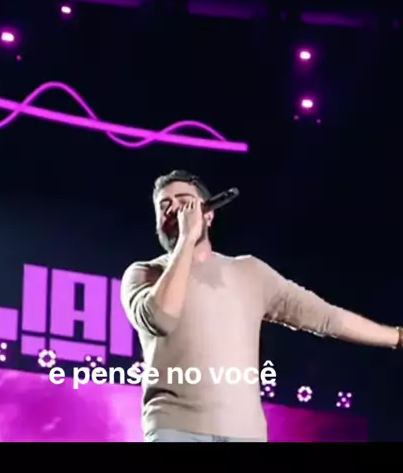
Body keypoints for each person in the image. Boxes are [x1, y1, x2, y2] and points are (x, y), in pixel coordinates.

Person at [120, 169, 402, 442]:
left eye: (185, 203)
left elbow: (326, 318)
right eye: (164, 206)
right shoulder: (144, 274)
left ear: (208, 214)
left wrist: (397, 337)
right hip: (174, 429)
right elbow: (161, 318)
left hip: (245, 431)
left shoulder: (250, 272)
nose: (174, 211)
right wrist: (186, 239)